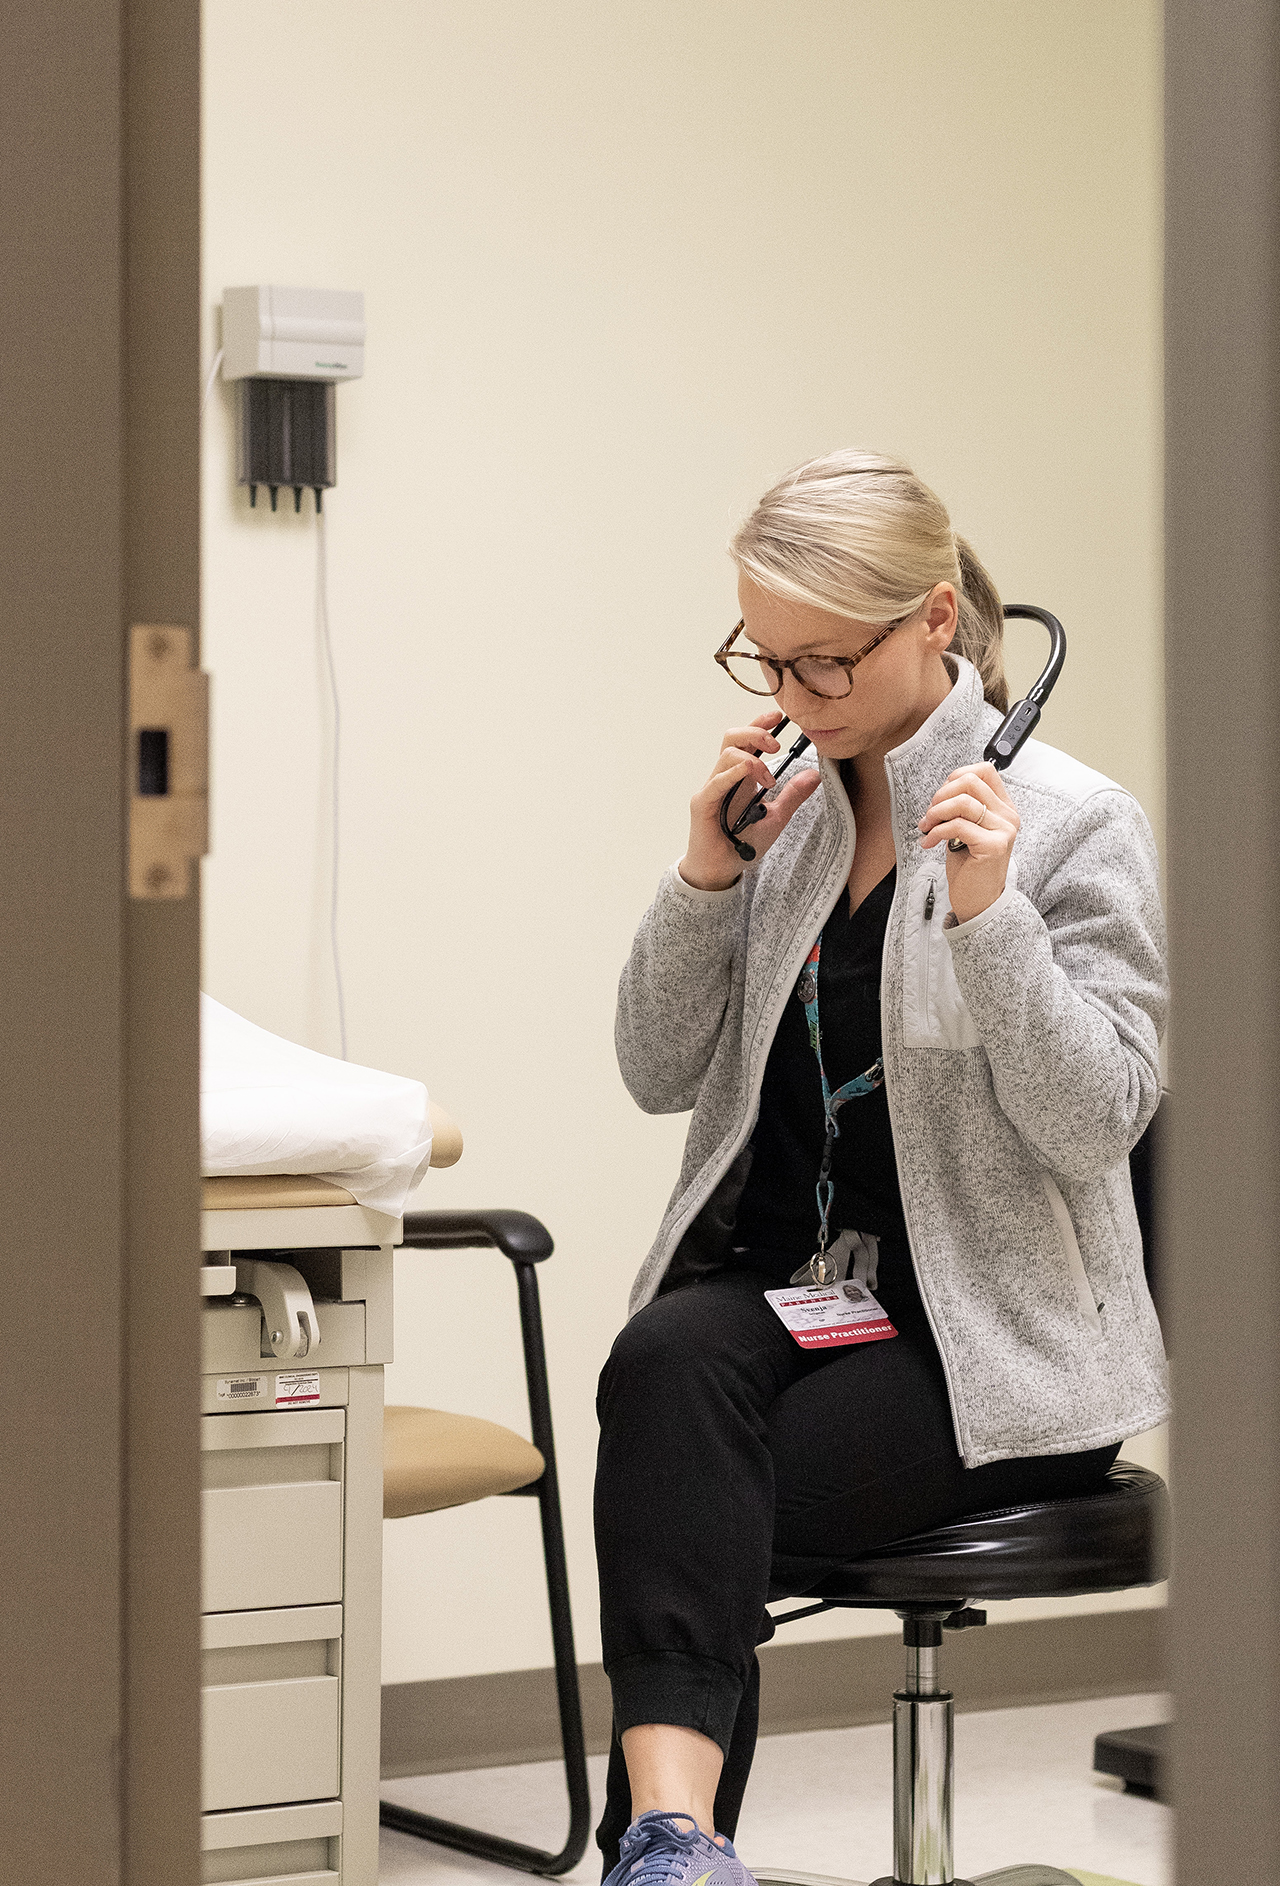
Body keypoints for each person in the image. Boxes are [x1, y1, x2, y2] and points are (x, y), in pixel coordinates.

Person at [594, 450, 1169, 1886]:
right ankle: (674, 1842)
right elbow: (656, 1068)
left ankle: (661, 1845)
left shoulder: (1078, 823)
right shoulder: (786, 816)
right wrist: (702, 877)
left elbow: (1100, 1115)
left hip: (996, 1339)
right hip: (805, 1305)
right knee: (664, 1359)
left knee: (681, 1487)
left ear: (930, 621)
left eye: (824, 661)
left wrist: (991, 925)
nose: (791, 695)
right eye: (765, 657)